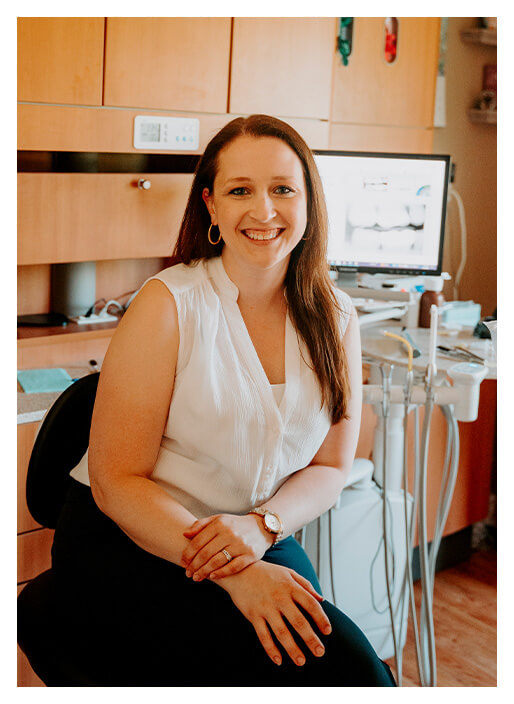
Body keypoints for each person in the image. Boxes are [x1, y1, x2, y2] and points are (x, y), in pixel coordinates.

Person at [33, 115, 396, 686]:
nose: (264, 210)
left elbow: (331, 466)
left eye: (282, 189)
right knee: (330, 671)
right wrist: (238, 574)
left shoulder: (337, 317)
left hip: (252, 531)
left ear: (309, 201)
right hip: (131, 536)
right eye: (239, 190)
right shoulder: (168, 305)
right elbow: (116, 479)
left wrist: (262, 526)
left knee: (354, 669)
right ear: (211, 205)